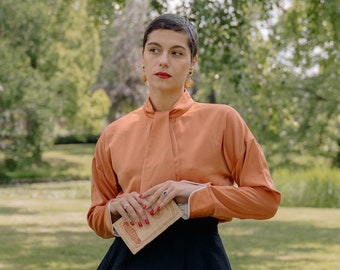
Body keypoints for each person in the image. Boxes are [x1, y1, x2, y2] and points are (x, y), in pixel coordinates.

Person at [87, 13, 281, 270]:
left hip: (198, 258)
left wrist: (197, 195)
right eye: (154, 50)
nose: (163, 61)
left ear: (192, 64)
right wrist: (114, 208)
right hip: (127, 260)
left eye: (176, 53)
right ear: (142, 58)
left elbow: (265, 201)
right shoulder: (113, 134)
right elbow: (96, 216)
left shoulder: (223, 120)